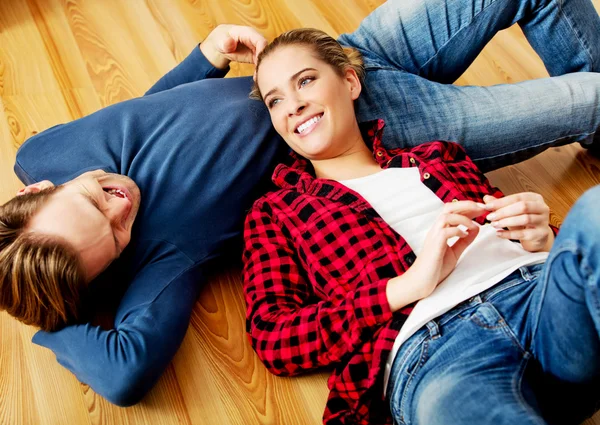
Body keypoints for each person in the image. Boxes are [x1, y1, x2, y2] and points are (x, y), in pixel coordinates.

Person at [1, 0, 599, 409]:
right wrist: (52, 318)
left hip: (328, 62)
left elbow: (140, 123)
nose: (121, 201)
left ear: (37, 191)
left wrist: (201, 63)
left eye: (94, 195)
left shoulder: (42, 152)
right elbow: (124, 372)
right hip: (363, 127)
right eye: (115, 233)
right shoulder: (161, 261)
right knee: (592, 98)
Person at [243, 25, 600, 425]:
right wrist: (411, 283)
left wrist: (542, 237)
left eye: (305, 81)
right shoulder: (278, 211)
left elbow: (528, 238)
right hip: (437, 352)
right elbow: (275, 337)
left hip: (539, 302)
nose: (293, 105)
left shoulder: (439, 157)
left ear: (349, 82)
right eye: (276, 101)